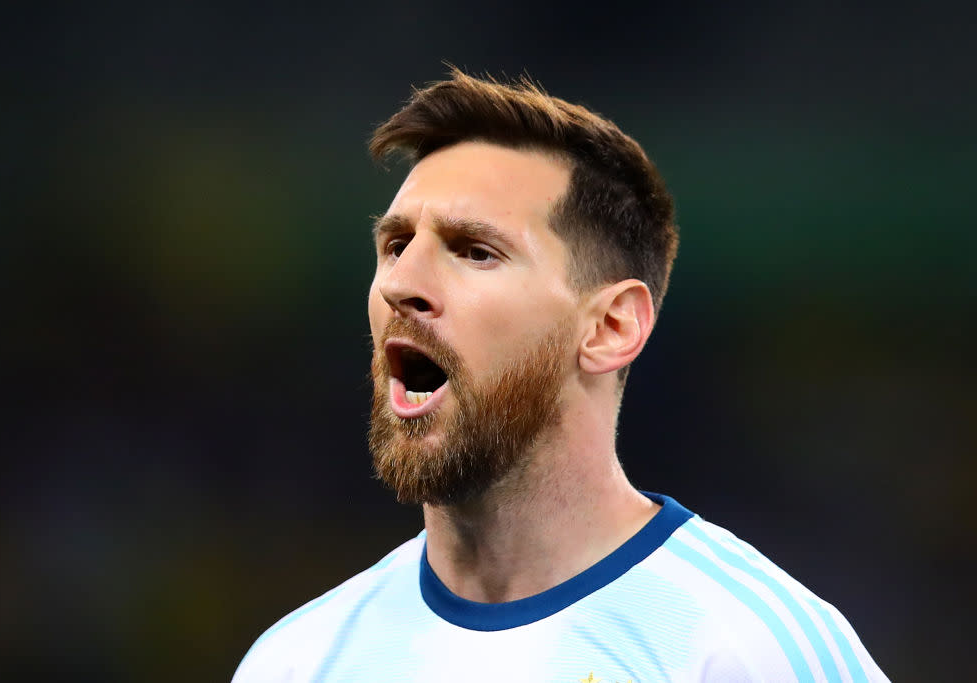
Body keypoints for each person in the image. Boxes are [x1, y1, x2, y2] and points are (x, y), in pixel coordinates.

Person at [233, 69, 888, 682]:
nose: (402, 283)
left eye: (475, 251)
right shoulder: (298, 660)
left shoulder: (745, 647)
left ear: (610, 327)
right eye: (396, 245)